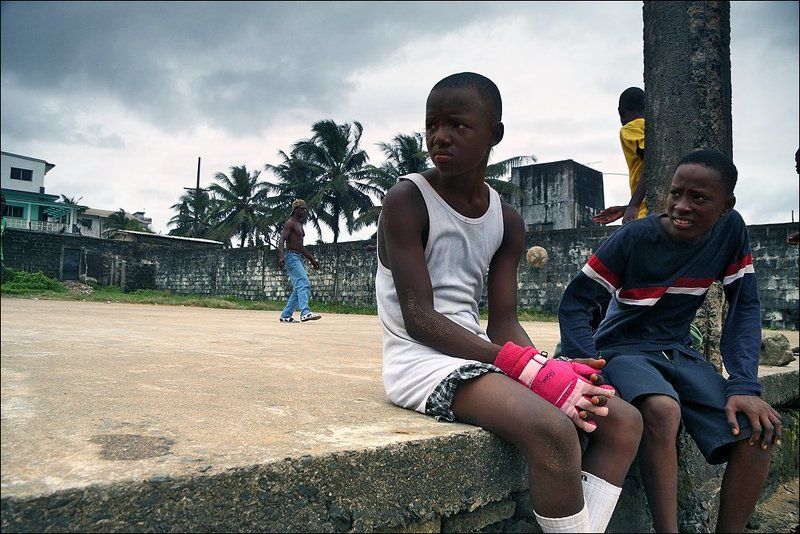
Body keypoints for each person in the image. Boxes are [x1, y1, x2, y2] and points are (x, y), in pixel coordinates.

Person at [377, 72, 642, 533]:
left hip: (478, 351)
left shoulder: (506, 219)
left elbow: (503, 323)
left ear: (494, 134)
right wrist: (527, 368)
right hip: (419, 360)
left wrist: (544, 365)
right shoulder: (407, 199)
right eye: (432, 124)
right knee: (555, 431)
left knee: (621, 420)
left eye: (458, 125)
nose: (440, 136)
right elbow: (419, 319)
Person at [558, 149, 782, 532]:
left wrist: (744, 383)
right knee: (662, 409)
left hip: (677, 349)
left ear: (726, 205)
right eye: (675, 194)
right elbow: (576, 302)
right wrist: (584, 363)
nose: (682, 206)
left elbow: (744, 306)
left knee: (758, 430)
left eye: (699, 198)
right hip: (622, 347)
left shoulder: (731, 231)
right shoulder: (633, 238)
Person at [593, 87, 647, 226]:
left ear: (620, 112)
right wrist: (625, 209)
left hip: (645, 215)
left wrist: (633, 205)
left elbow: (652, 160)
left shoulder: (630, 128)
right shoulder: (652, 127)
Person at [277, 199, 321, 323]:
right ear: (296, 209)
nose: (305, 211)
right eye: (302, 208)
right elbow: (281, 240)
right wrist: (281, 257)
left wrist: (312, 260)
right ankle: (305, 312)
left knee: (298, 288)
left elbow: (300, 247)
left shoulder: (299, 224)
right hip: (291, 257)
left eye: (305, 208)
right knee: (304, 283)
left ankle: (286, 315)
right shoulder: (290, 223)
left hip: (298, 256)